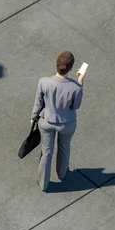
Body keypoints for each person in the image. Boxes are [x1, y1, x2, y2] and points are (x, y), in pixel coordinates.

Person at [31, 51, 86, 191]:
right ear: (72, 68)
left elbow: (38, 103)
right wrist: (80, 81)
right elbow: (76, 106)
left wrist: (34, 117)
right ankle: (62, 173)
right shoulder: (75, 87)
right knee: (64, 148)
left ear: (56, 65)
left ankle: (43, 183)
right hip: (66, 124)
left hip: (46, 122)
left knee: (46, 152)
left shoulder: (44, 82)